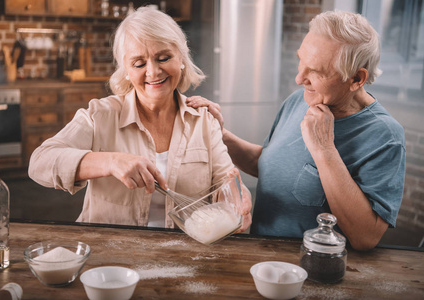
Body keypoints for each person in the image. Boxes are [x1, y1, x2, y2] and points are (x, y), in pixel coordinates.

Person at [187, 10, 406, 250]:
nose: (299, 78)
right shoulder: (299, 100)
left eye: (317, 71)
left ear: (356, 78)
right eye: (302, 60)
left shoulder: (385, 136)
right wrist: (220, 135)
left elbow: (365, 237)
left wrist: (324, 149)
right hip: (264, 258)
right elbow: (269, 165)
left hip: (319, 269)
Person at [28, 7, 251, 231]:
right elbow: (40, 163)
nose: (153, 72)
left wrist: (235, 203)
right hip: (111, 255)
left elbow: (226, 185)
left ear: (181, 58)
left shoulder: (203, 120)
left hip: (186, 253)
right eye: (139, 64)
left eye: (163, 58)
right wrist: (110, 162)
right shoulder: (100, 116)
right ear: (126, 69)